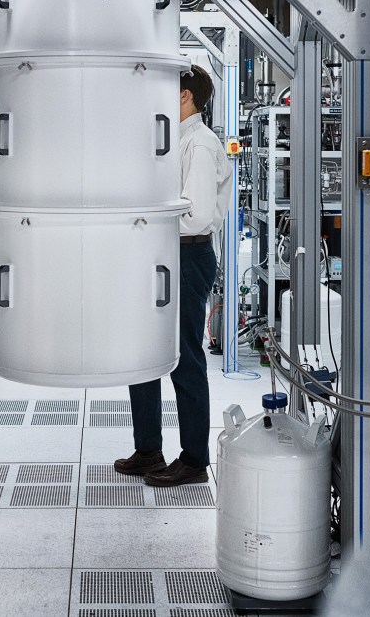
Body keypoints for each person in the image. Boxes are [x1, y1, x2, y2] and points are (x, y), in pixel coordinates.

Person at [114, 64, 232, 487]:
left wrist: (143, 218)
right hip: (160, 255)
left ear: (185, 97)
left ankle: (194, 459)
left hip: (187, 257)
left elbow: (196, 215)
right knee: (143, 354)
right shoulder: (172, 141)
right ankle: (148, 449)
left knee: (184, 357)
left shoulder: (199, 145)